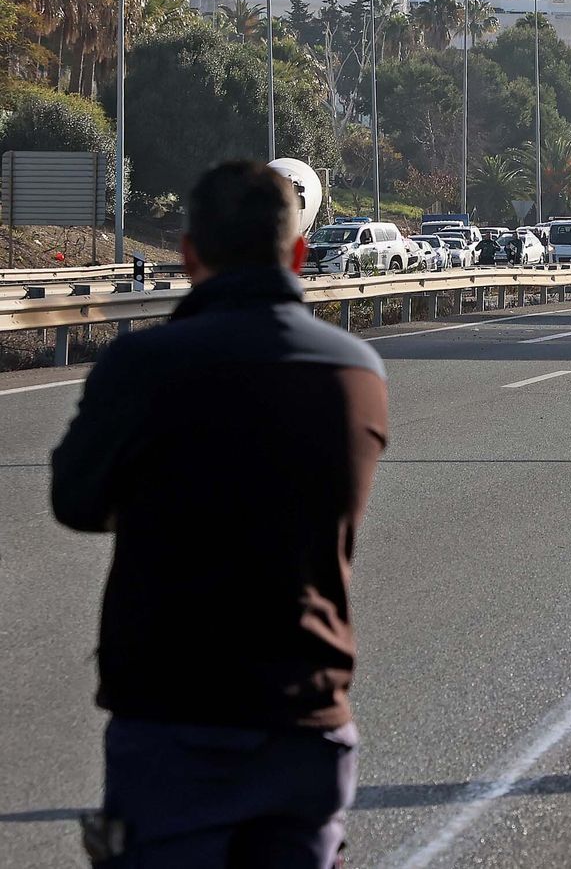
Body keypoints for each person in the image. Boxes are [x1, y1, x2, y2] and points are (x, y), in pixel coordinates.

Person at [52, 160, 389, 868]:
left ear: (187, 253)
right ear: (298, 252)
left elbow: (76, 500)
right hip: (307, 722)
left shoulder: (142, 365)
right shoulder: (357, 372)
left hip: (174, 721)